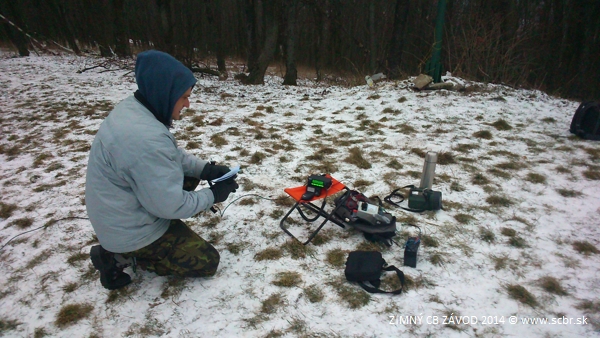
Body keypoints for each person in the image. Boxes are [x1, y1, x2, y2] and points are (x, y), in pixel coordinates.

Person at [85, 50, 238, 290]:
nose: (188, 104)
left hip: (122, 209)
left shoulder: (136, 110)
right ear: (165, 94)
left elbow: (169, 157)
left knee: (183, 176)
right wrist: (214, 196)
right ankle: (118, 256)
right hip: (129, 231)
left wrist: (205, 170)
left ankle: (127, 244)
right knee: (207, 262)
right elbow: (171, 206)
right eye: (184, 97)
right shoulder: (145, 139)